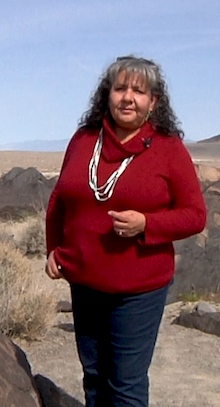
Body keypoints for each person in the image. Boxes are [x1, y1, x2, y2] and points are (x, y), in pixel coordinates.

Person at [45, 55, 207, 407]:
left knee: (126, 385)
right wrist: (53, 249)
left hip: (137, 289)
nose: (128, 97)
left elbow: (195, 215)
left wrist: (147, 224)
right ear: (107, 95)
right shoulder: (85, 139)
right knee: (94, 378)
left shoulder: (168, 148)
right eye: (120, 88)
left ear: (154, 102)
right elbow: (60, 197)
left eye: (139, 91)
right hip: (84, 280)